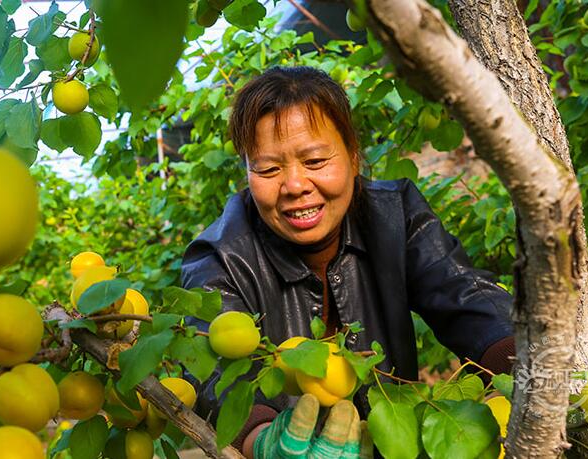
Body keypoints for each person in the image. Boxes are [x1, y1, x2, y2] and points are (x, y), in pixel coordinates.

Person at [181, 66, 515, 457]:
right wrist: (266, 443)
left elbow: (466, 297)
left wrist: (547, 357)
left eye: (316, 160)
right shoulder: (220, 258)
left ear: (353, 157)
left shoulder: (394, 215)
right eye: (269, 168)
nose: (294, 185)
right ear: (247, 172)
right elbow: (215, 380)